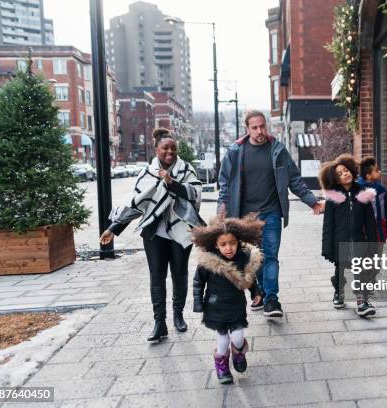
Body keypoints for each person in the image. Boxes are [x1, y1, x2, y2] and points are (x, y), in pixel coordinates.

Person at [99, 128, 204, 342]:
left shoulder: (186, 170)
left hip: (181, 230)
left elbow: (195, 195)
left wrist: (171, 183)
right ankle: (159, 323)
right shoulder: (146, 174)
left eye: (173, 148)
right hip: (155, 233)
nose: (170, 152)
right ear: (156, 149)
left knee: (180, 274)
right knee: (157, 277)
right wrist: (113, 229)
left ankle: (178, 316)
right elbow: (137, 204)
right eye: (165, 148)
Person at [218, 110, 323, 318]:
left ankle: (272, 300)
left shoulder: (277, 149)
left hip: (272, 213)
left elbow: (294, 180)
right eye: (255, 127)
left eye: (262, 126)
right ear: (247, 129)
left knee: (271, 257)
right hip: (245, 218)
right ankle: (261, 291)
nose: (260, 131)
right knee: (254, 259)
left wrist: (312, 201)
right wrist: (221, 216)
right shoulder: (235, 152)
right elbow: (225, 185)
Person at [192, 213, 264, 384]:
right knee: (223, 340)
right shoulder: (208, 262)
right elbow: (198, 282)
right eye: (223, 244)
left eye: (232, 243)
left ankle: (239, 353)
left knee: (238, 337)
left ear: (238, 242)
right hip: (215, 308)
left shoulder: (243, 258)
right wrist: (198, 302)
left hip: (236, 307)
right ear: (216, 245)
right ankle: (221, 366)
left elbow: (250, 278)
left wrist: (256, 293)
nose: (228, 248)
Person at [320, 154, 378, 317]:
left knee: (360, 269)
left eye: (346, 170)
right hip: (340, 241)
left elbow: (370, 222)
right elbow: (328, 225)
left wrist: (373, 243)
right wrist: (327, 247)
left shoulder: (362, 193)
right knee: (340, 269)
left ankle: (362, 301)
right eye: (340, 173)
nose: (345, 174)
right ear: (335, 179)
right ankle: (339, 292)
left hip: (359, 240)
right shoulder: (333, 197)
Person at [357, 157, 387, 242]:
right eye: (377, 170)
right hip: (363, 232)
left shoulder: (381, 190)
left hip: (380, 231)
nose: (380, 171)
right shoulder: (358, 189)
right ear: (368, 175)